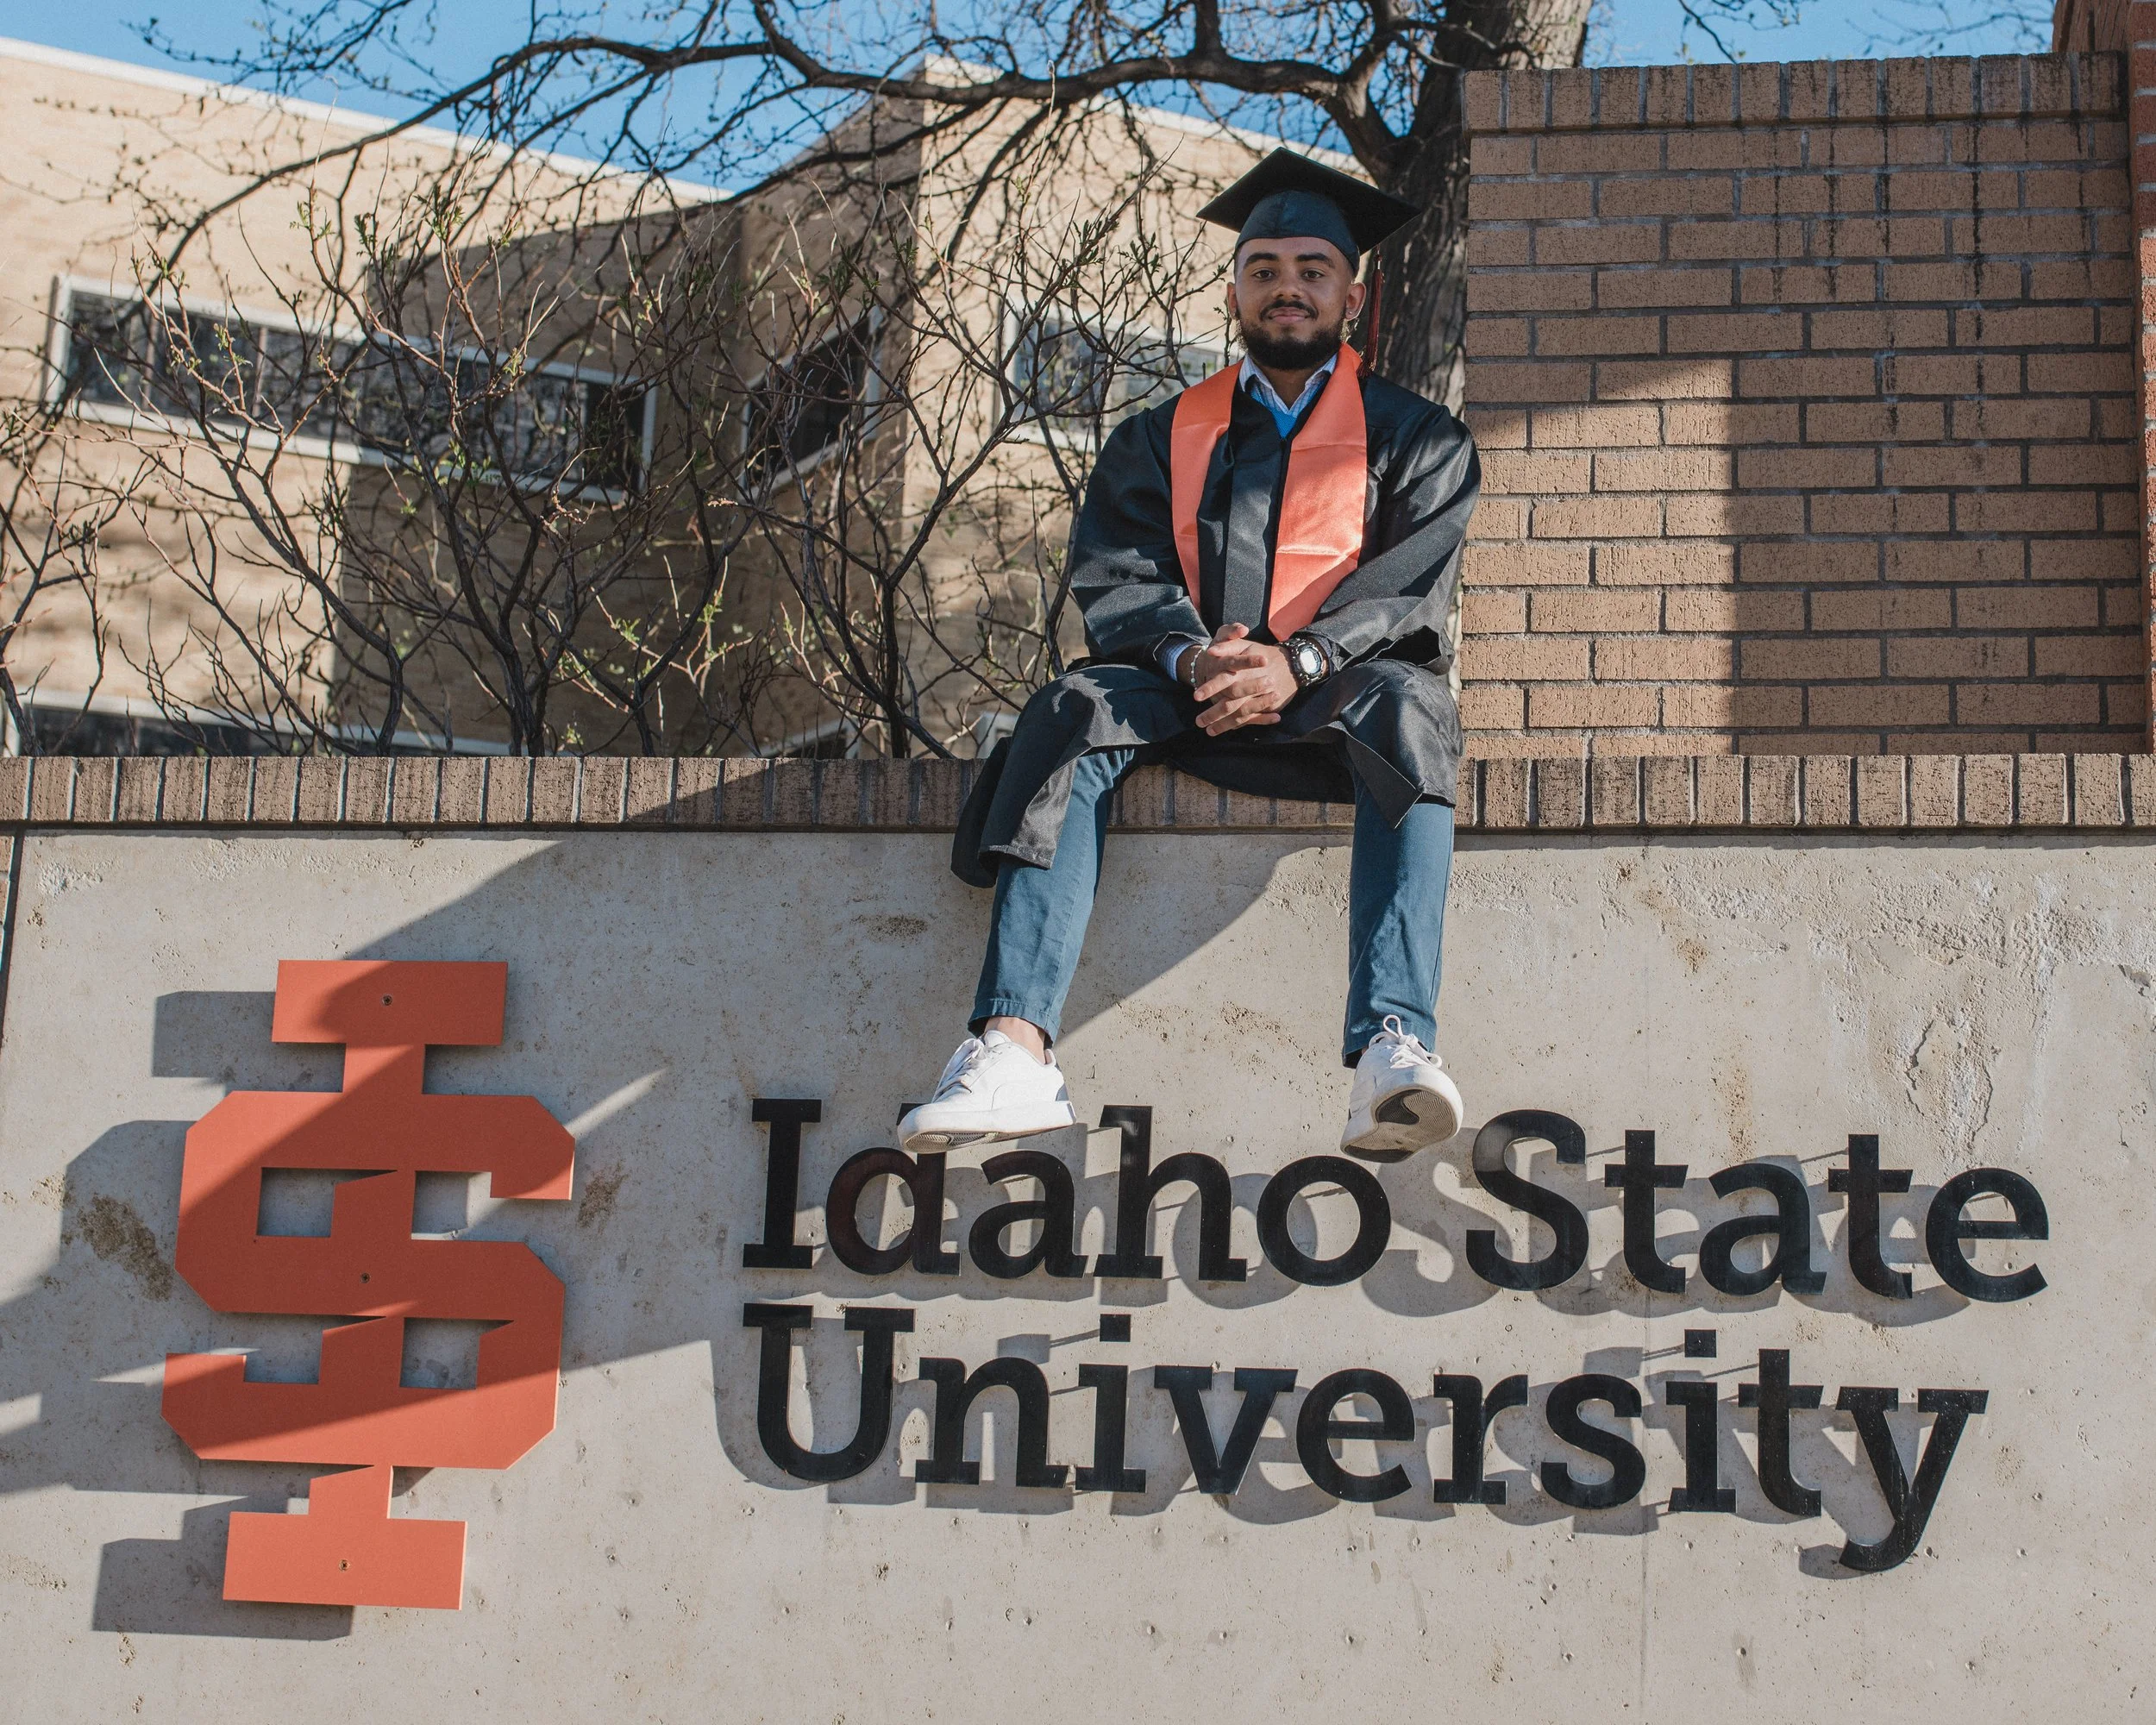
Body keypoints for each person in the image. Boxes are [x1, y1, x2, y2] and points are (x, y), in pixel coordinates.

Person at [899, 148, 1479, 1162]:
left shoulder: (1421, 438)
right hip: (1187, 692)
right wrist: (1191, 656)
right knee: (1073, 708)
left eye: (1310, 268)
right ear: (1232, 290)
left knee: (1411, 707)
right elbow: (1115, 569)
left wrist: (1295, 663)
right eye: (1263, 269)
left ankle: (1393, 1044)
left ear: (1353, 290)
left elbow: (1402, 593)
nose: (1286, 287)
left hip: (1332, 696)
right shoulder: (1160, 433)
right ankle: (1011, 1049)